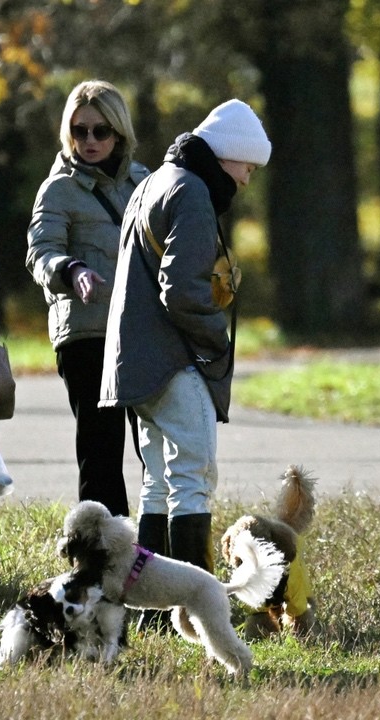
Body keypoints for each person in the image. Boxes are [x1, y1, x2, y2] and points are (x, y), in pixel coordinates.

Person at [99, 98, 272, 580]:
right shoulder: (192, 191)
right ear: (226, 154)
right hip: (171, 359)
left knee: (157, 483)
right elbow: (182, 291)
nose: (247, 178)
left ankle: (154, 606)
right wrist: (217, 339)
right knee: (193, 479)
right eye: (247, 165)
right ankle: (195, 607)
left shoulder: (156, 181)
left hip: (132, 361)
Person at [26, 80, 149, 518]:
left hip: (140, 334)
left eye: (100, 131)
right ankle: (99, 563)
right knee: (100, 458)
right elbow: (39, 251)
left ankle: (156, 558)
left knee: (155, 452)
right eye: (79, 131)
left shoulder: (145, 182)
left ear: (119, 132)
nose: (90, 141)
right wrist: (71, 270)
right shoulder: (58, 189)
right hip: (87, 334)